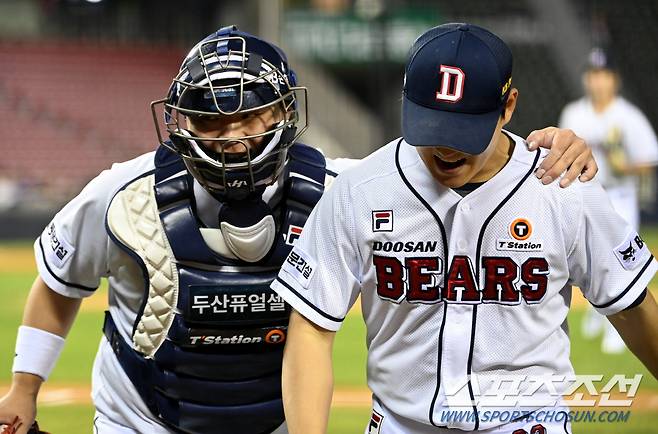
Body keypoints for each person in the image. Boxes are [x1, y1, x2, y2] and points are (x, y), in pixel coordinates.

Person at [0, 25, 596, 434]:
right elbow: (58, 281)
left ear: (286, 111)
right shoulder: (121, 195)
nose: (232, 135)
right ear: (179, 121)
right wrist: (25, 388)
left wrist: (543, 147)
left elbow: (454, 171)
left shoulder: (348, 189)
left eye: (251, 114)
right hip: (141, 417)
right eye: (211, 118)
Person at [273, 23, 658, 434]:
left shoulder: (561, 186)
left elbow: (633, 307)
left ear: (508, 107)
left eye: (463, 130)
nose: (444, 147)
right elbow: (312, 328)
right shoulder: (360, 190)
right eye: (429, 124)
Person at [559, 47, 658, 354]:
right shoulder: (574, 113)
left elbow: (650, 158)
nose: (598, 82)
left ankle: (621, 327)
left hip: (619, 197)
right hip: (583, 197)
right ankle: (593, 315)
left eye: (603, 76)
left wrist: (622, 165)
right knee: (582, 259)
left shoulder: (627, 116)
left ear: (613, 80)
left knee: (620, 262)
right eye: (593, 75)